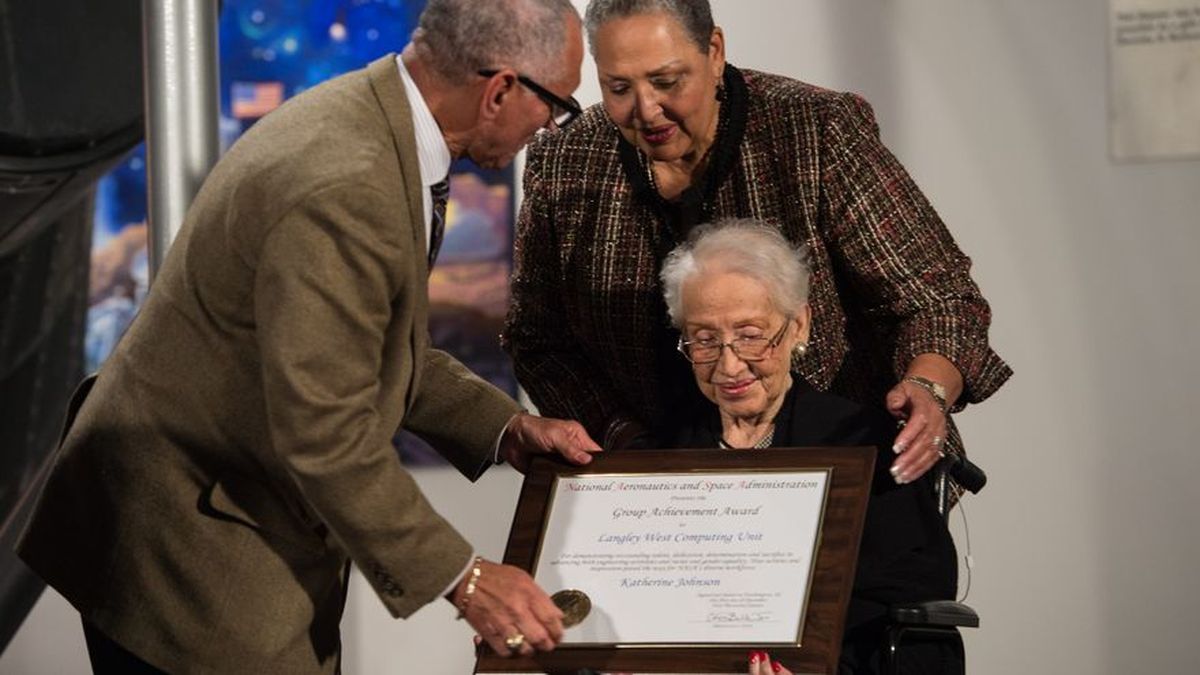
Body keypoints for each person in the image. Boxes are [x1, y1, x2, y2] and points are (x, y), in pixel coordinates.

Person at [17, 1, 594, 672]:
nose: (551, 126)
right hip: (186, 556)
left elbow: (368, 350)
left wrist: (506, 429)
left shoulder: (375, 121)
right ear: (499, 89)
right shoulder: (346, 182)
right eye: (557, 104)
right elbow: (326, 428)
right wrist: (464, 577)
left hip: (210, 511)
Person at [503, 0, 1011, 491]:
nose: (647, 109)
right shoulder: (566, 161)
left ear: (715, 51)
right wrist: (626, 441)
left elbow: (939, 297)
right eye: (618, 88)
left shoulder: (815, 129)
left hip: (846, 467)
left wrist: (927, 389)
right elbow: (537, 338)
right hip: (654, 486)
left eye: (667, 81)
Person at [661, 219, 958, 674]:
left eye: (750, 335)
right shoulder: (657, 455)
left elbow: (914, 616)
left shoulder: (866, 447)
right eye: (705, 339)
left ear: (798, 325)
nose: (729, 363)